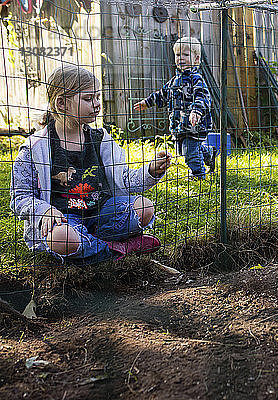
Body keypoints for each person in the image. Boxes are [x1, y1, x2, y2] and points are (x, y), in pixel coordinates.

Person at [10, 65, 172, 265]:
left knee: (144, 208)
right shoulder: (34, 148)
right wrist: (44, 210)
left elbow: (123, 179)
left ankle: (93, 247)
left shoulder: (100, 139)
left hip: (101, 214)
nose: (97, 104)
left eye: (97, 97)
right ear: (61, 103)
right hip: (64, 220)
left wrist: (150, 171)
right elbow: (20, 197)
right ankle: (117, 247)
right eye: (88, 99)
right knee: (62, 239)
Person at [133, 36, 217, 180]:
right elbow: (162, 94)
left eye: (185, 54)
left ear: (196, 59)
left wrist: (196, 111)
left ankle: (198, 174)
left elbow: (203, 97)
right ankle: (209, 153)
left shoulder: (196, 79)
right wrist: (147, 102)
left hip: (195, 125)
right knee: (185, 150)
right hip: (179, 125)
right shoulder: (174, 80)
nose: (181, 58)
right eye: (178, 55)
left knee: (189, 152)